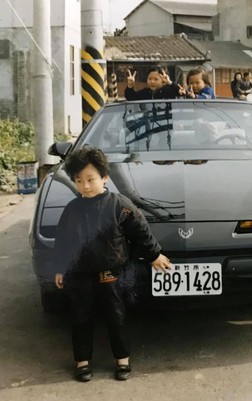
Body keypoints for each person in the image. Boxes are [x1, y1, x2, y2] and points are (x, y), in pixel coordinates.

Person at [54, 146, 172, 382]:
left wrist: (154, 255)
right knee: (80, 318)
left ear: (105, 177)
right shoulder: (72, 209)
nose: (85, 186)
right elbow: (63, 240)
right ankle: (82, 361)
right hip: (79, 276)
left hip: (111, 274)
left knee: (116, 317)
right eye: (79, 181)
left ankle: (122, 359)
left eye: (91, 179)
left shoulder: (119, 204)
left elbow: (140, 232)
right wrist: (59, 267)